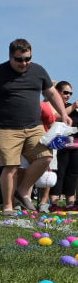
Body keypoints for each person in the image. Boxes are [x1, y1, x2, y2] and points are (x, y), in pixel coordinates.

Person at [0, 38, 72, 215]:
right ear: (10, 56)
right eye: (19, 59)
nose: (24, 63)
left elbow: (51, 92)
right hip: (5, 128)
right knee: (10, 167)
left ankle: (22, 190)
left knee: (46, 157)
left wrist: (64, 113)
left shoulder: (38, 71)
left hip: (34, 126)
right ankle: (8, 207)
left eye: (27, 59)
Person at [49, 80, 78, 211]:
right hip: (60, 146)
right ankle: (53, 203)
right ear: (58, 92)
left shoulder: (73, 108)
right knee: (59, 173)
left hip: (75, 146)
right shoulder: (54, 106)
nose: (68, 95)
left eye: (70, 93)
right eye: (65, 92)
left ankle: (70, 203)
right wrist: (72, 107)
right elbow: (55, 117)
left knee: (72, 174)